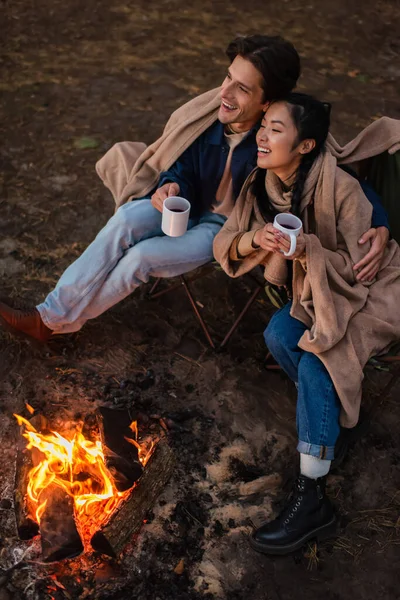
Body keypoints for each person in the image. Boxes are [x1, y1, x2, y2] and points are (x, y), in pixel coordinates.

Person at [0, 36, 388, 342]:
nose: (225, 93)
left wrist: (381, 221)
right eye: (227, 78)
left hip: (223, 230)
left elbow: (338, 174)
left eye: (241, 89)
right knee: (125, 220)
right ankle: (51, 311)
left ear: (268, 101)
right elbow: (181, 162)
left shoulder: (281, 136)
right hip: (188, 206)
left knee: (141, 259)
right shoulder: (210, 120)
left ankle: (53, 324)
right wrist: (170, 185)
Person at [213, 93, 400, 555]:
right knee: (278, 333)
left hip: (372, 293)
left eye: (277, 130)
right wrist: (255, 237)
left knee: (319, 356)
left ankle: (313, 500)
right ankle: (334, 422)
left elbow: (363, 267)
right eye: (264, 126)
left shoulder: (340, 186)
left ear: (306, 145)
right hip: (321, 292)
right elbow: (226, 240)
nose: (263, 135)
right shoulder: (263, 184)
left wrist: (309, 251)